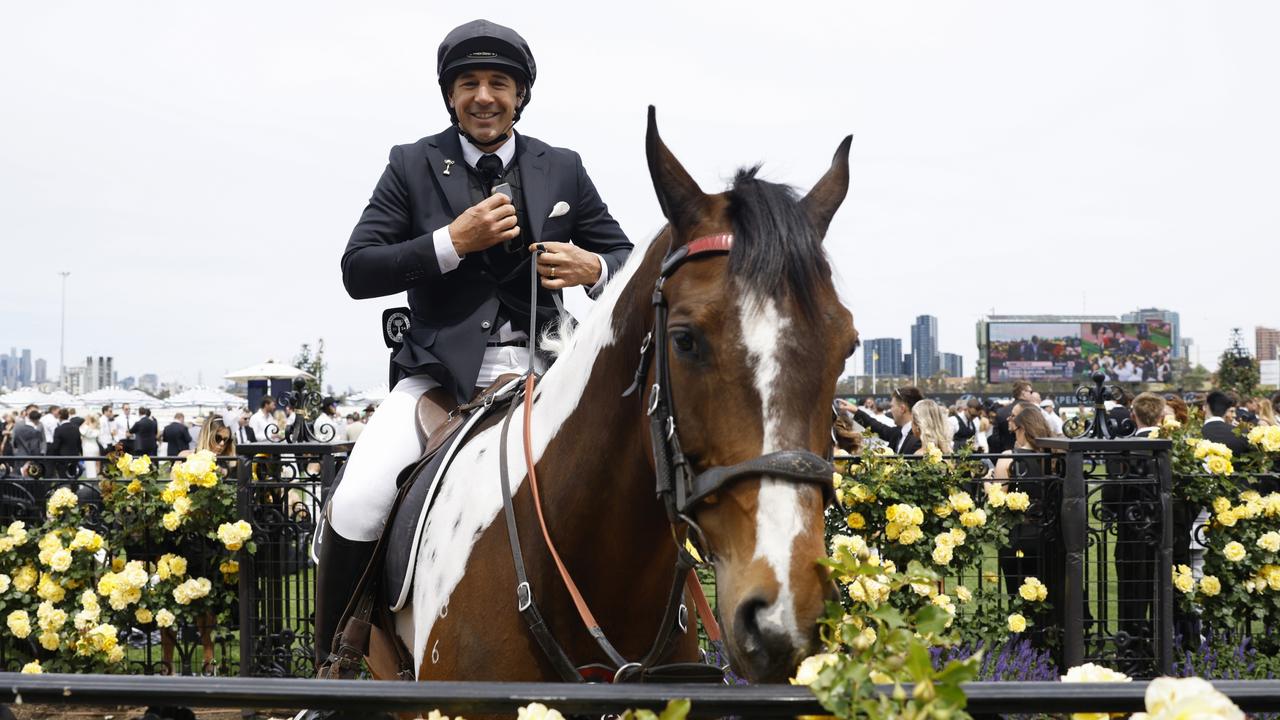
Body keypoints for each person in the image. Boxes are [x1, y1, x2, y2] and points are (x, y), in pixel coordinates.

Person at [316, 18, 634, 675]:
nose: (484, 95)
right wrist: (449, 243)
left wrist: (592, 269)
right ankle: (335, 670)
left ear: (520, 95)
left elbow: (625, 260)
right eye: (469, 84)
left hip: (552, 374)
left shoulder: (563, 168)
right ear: (450, 96)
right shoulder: (410, 164)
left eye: (499, 83)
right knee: (357, 500)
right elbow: (358, 269)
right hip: (440, 381)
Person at [852, 386, 924, 455]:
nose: (891, 410)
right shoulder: (899, 432)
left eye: (892, 406)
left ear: (902, 409)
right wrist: (855, 411)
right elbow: (878, 427)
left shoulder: (919, 438)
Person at [992, 381, 1038, 454]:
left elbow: (995, 440)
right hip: (1031, 456)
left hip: (1005, 455)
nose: (1032, 395)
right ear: (1023, 393)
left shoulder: (1001, 412)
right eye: (1031, 392)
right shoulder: (1035, 410)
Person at [1201, 390, 1248, 456]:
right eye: (1231, 411)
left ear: (1206, 407)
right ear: (1226, 411)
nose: (1234, 415)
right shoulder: (1240, 435)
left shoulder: (1197, 434)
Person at [49, 408, 83, 478]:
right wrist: (80, 452)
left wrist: (53, 456)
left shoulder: (59, 429)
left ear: (59, 416)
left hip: (62, 457)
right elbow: (79, 443)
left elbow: (56, 445)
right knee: (73, 476)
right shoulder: (76, 428)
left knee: (63, 477)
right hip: (74, 455)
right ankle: (74, 488)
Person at [12, 410, 45, 476]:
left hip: (19, 455)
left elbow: (14, 443)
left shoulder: (18, 429)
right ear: (37, 420)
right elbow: (35, 448)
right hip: (30, 458)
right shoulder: (35, 432)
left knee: (18, 477)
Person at [80, 414, 102, 479]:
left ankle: (92, 478)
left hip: (88, 448)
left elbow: (83, 432)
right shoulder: (96, 428)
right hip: (93, 447)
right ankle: (93, 478)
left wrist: (87, 423)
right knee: (92, 464)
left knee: (91, 464)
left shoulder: (86, 428)